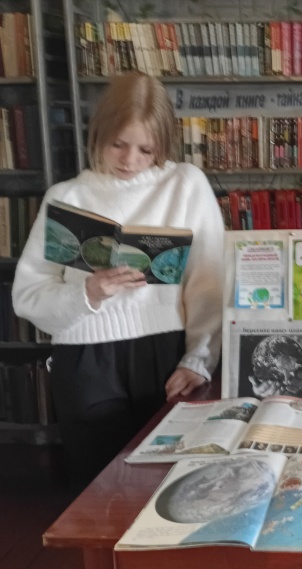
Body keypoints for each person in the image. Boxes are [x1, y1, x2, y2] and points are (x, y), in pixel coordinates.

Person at [12, 73, 224, 492]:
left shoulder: (186, 184)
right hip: (85, 358)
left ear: (164, 144)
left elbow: (209, 283)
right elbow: (28, 297)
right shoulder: (66, 197)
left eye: (146, 150)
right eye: (118, 145)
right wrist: (87, 293)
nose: (130, 160)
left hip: (164, 352)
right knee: (97, 489)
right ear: (99, 135)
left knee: (171, 482)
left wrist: (198, 359)